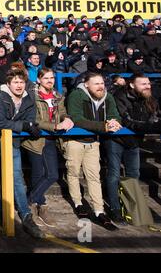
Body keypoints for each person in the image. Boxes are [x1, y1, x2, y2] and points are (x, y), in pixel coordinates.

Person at [0, 69, 45, 239]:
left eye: (21, 82)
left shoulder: (28, 100)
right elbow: (1, 122)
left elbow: (31, 120)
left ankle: (26, 215)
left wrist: (26, 125)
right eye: (15, 82)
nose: (19, 85)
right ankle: (0, 209)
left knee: (16, 177)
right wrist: (24, 126)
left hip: (12, 140)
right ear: (8, 84)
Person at [65, 72, 122, 231]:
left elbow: (115, 115)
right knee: (74, 172)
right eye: (96, 83)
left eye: (102, 83)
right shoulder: (76, 95)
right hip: (75, 141)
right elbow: (77, 118)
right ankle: (78, 202)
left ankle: (99, 211)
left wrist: (114, 123)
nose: (100, 86)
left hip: (93, 142)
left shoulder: (107, 97)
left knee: (94, 176)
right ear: (86, 84)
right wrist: (103, 127)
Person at [22, 68, 74, 227]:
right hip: (35, 139)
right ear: (38, 80)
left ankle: (28, 200)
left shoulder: (58, 96)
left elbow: (63, 112)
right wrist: (55, 126)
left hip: (51, 139)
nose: (50, 81)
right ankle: (40, 206)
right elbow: (34, 119)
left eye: (52, 78)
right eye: (46, 78)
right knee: (38, 173)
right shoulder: (32, 96)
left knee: (52, 174)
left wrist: (67, 119)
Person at [107, 74, 161, 224]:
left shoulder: (148, 97)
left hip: (134, 141)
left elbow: (155, 116)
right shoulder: (119, 96)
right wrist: (151, 127)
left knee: (134, 174)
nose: (148, 86)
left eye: (148, 83)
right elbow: (126, 121)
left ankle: (131, 208)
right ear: (132, 85)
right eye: (143, 83)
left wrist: (154, 124)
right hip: (116, 140)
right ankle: (115, 209)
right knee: (114, 174)